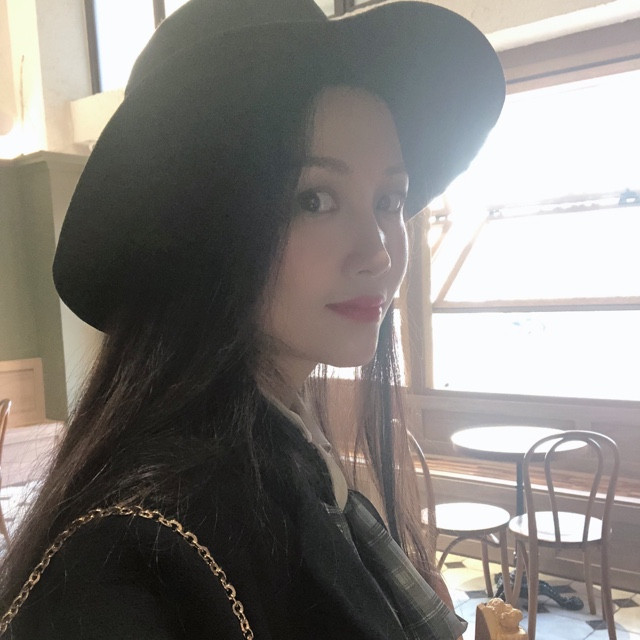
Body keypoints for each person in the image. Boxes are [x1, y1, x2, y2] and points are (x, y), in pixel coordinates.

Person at [0, 0, 504, 638]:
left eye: (389, 199)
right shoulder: (132, 565)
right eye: (315, 199)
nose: (378, 250)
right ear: (203, 232)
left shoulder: (299, 463)